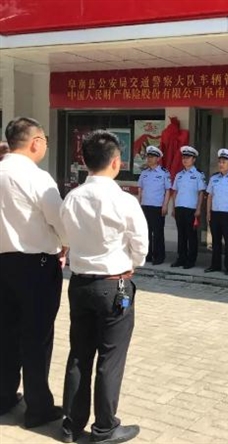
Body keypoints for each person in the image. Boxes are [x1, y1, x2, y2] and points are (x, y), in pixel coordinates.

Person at [60, 130, 148, 444]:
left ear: (84, 162)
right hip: (114, 285)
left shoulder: (72, 197)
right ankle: (105, 427)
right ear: (116, 162)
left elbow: (65, 237)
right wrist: (131, 263)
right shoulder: (124, 200)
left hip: (80, 284)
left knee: (79, 354)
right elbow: (141, 245)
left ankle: (71, 425)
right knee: (110, 357)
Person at [0, 117, 67, 428]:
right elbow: (61, 222)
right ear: (36, 142)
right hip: (35, 266)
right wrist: (65, 244)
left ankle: (3, 395)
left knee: (5, 332)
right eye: (45, 141)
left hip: (3, 265)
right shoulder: (37, 178)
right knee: (37, 336)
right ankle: (38, 407)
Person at [170, 146, 206, 269]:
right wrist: (174, 208)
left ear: (194, 159)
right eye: (183, 158)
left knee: (191, 235)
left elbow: (201, 193)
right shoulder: (179, 175)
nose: (185, 160)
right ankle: (181, 258)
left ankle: (191, 260)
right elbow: (175, 192)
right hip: (179, 208)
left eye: (188, 158)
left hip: (191, 209)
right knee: (181, 235)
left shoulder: (198, 174)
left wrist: (198, 208)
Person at [137, 145, 171, 265]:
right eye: (148, 157)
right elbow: (140, 189)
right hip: (145, 206)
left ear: (158, 159)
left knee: (158, 233)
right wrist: (138, 204)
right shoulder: (144, 173)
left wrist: (165, 205)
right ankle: (148, 255)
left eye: (152, 157)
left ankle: (159, 256)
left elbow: (168, 190)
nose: (149, 159)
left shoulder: (164, 173)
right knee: (146, 232)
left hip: (157, 206)